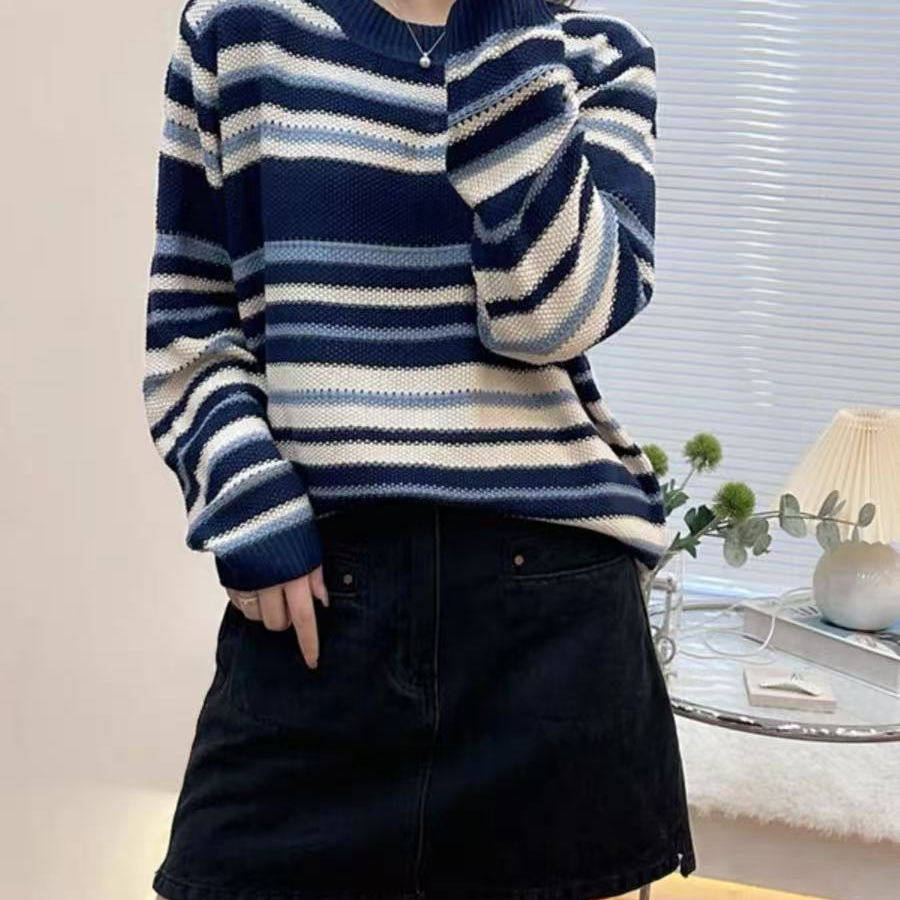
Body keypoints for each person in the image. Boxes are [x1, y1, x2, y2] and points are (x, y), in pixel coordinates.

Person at [143, 1, 696, 898]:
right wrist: (249, 508)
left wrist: (503, 27)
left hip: (550, 628)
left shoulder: (593, 53)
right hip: (325, 609)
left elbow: (552, 316)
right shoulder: (241, 30)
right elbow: (191, 327)